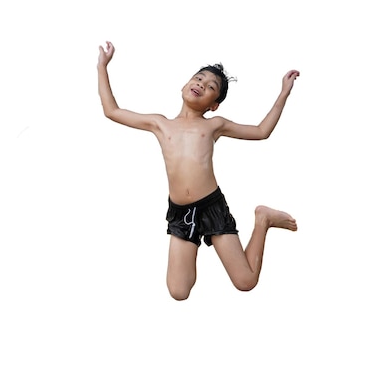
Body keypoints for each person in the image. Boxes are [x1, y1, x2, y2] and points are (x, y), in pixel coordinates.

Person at [97, 40, 299, 300]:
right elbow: (111, 111)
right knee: (179, 291)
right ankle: (193, 249)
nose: (202, 84)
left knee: (245, 281)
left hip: (211, 207)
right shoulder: (160, 124)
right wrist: (102, 66)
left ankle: (263, 220)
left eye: (210, 87)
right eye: (199, 78)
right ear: (184, 85)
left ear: (213, 104)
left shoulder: (214, 125)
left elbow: (261, 132)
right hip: (180, 213)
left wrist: (283, 93)